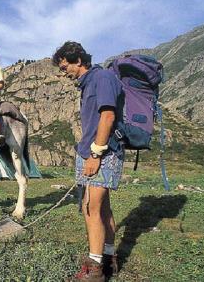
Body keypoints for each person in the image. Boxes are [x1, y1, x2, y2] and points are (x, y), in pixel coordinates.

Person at [52, 41, 123, 281]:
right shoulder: (89, 83)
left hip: (102, 154)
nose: (64, 73)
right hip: (92, 152)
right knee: (102, 208)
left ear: (78, 61)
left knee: (90, 207)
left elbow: (108, 116)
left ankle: (94, 269)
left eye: (64, 67)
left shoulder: (101, 78)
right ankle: (109, 258)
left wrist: (95, 155)